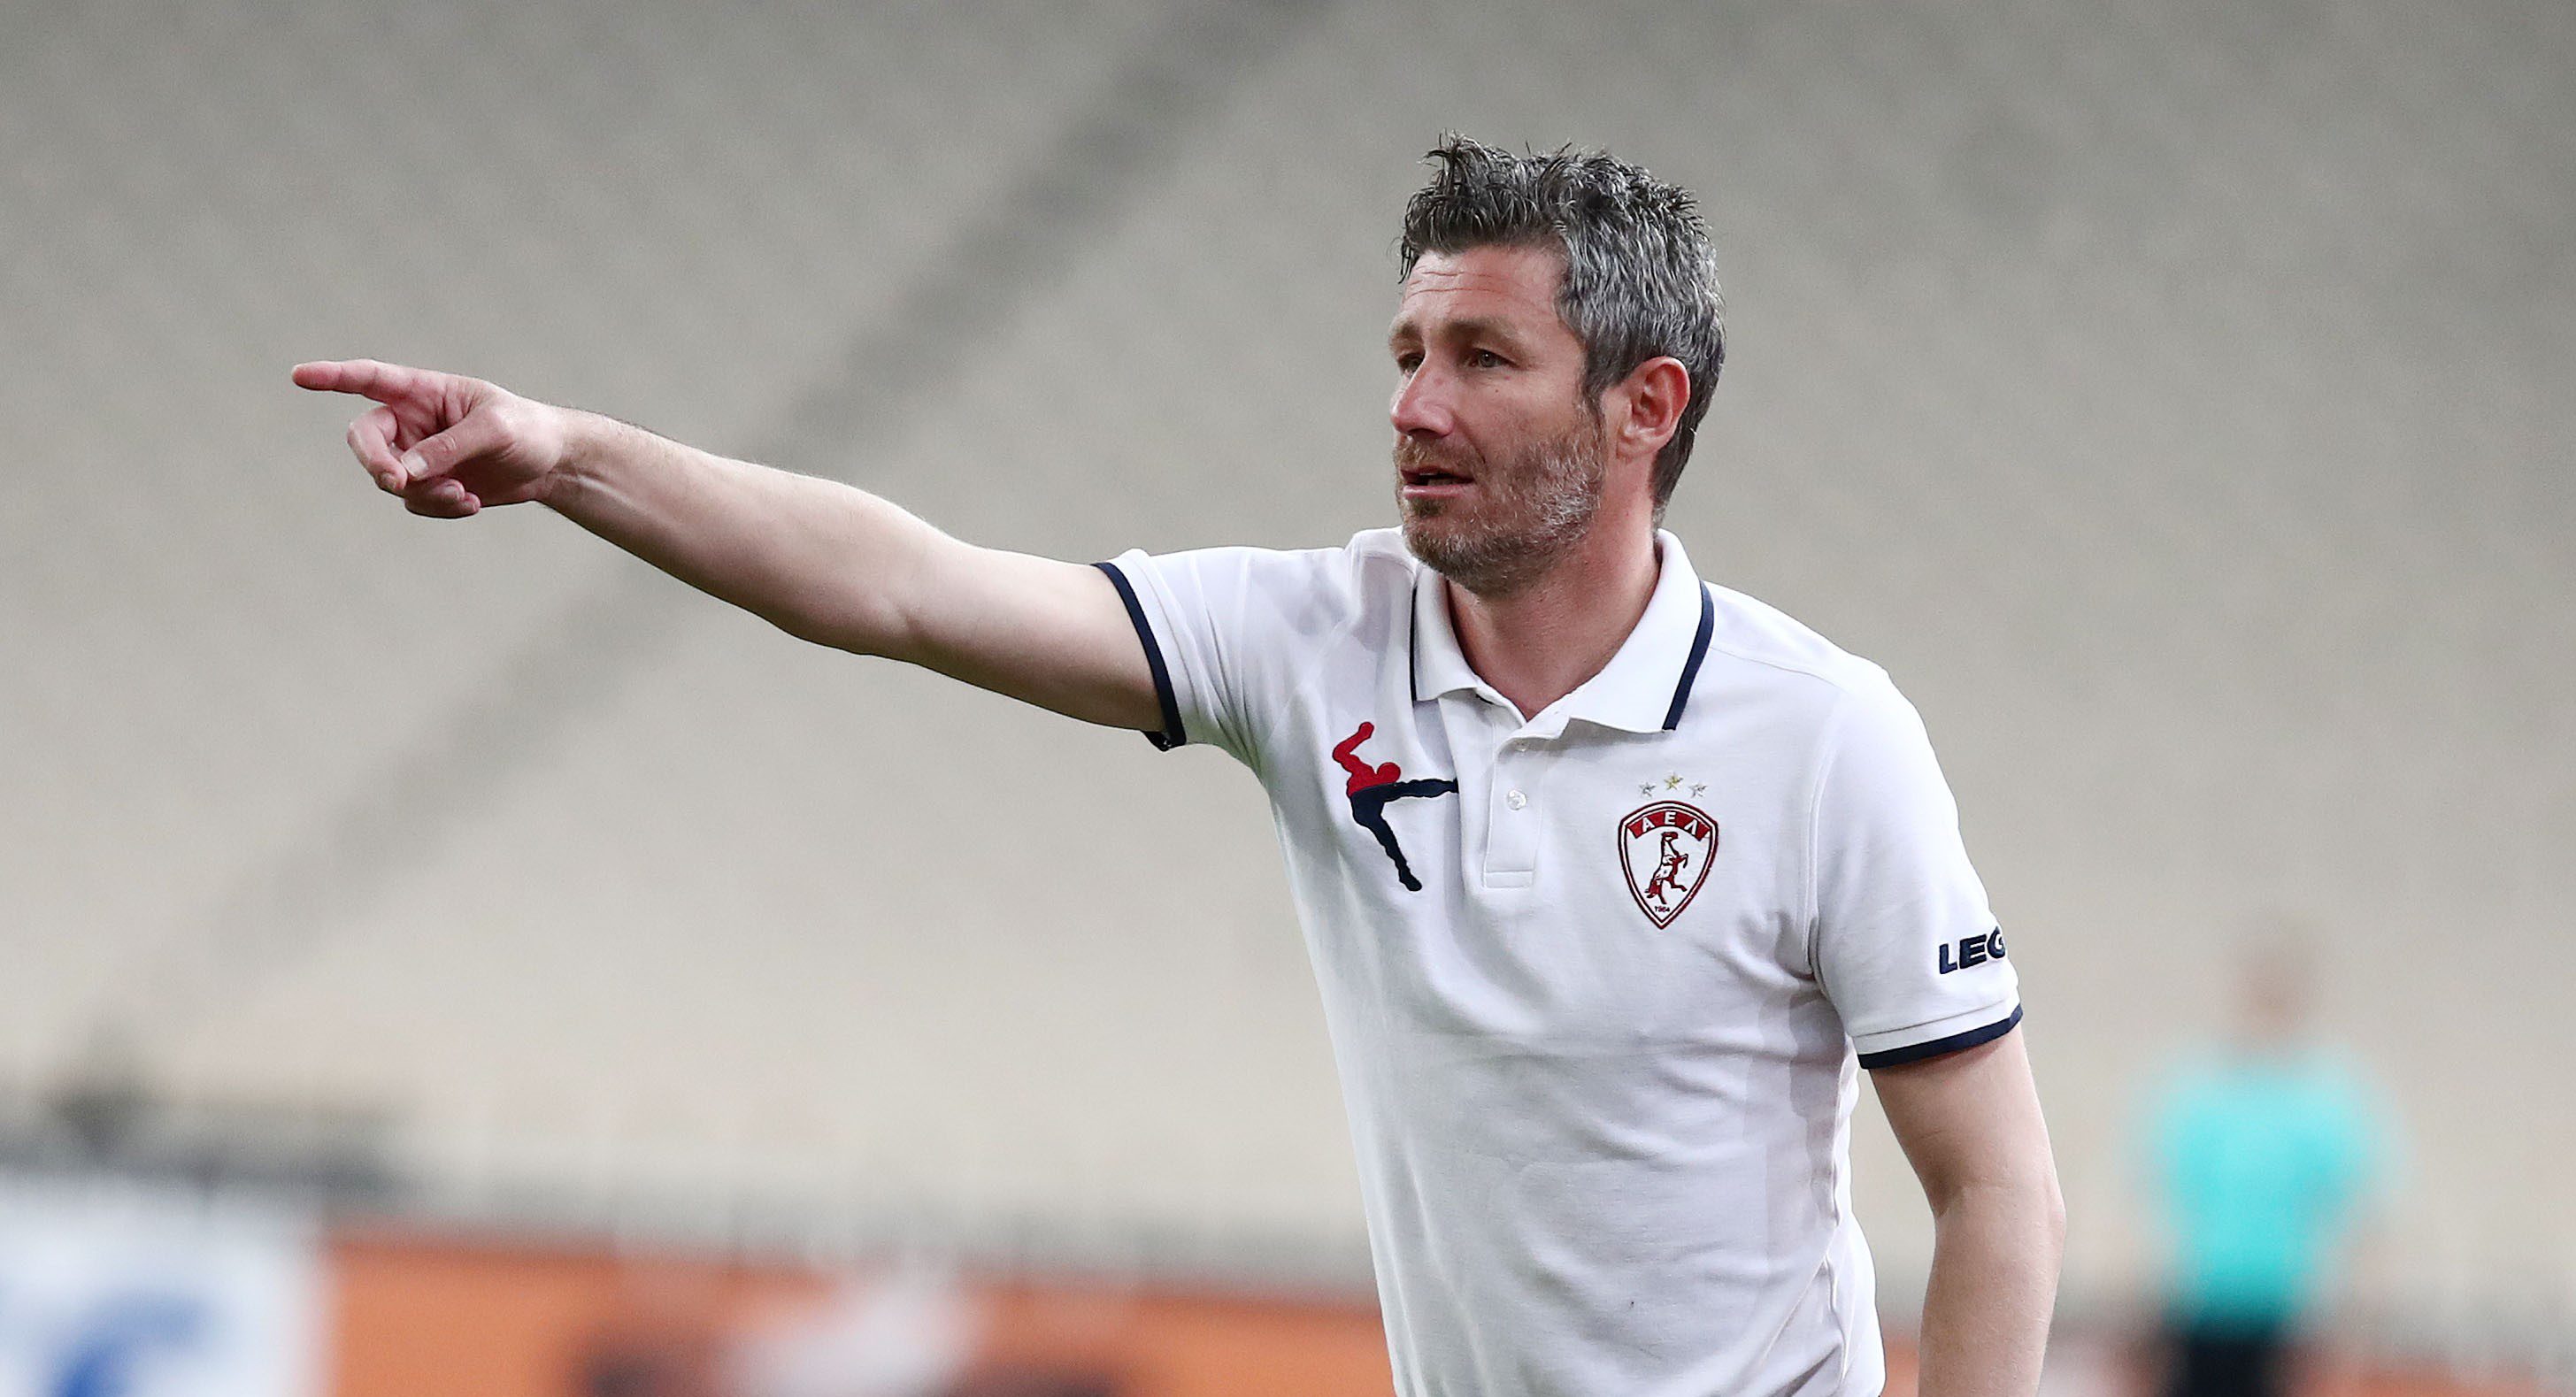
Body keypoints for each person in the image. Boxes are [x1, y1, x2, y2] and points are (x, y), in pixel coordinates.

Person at [296, 136, 2065, 1397]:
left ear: (1643, 407)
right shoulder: (1309, 641)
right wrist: (564, 455)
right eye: (1405, 353)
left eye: (1482, 358)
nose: (1413, 405)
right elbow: (905, 587)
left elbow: (1995, 1185)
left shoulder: (1822, 737)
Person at [2142, 938, 2391, 1397]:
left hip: (2283, 1314)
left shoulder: (2327, 1099)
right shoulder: (2201, 1090)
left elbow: (2358, 1211)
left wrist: (2346, 1319)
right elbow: (2162, 1198)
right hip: (2204, 1306)